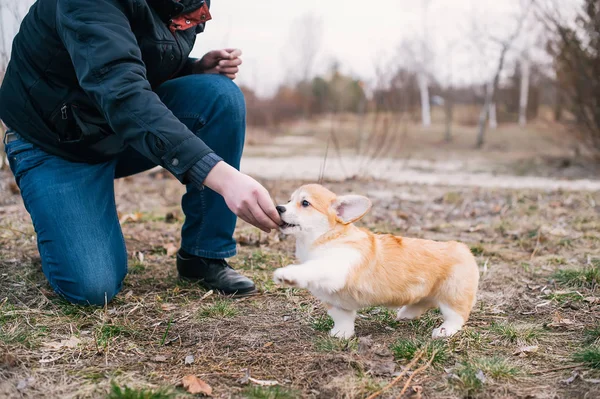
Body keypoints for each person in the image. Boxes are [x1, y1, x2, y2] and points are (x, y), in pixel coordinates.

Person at [0, 0, 281, 305]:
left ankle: (204, 256)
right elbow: (120, 90)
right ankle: (67, 214)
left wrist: (193, 68)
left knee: (218, 96)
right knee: (94, 288)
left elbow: (129, 57)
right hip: (55, 142)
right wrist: (224, 178)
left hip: (114, 128)